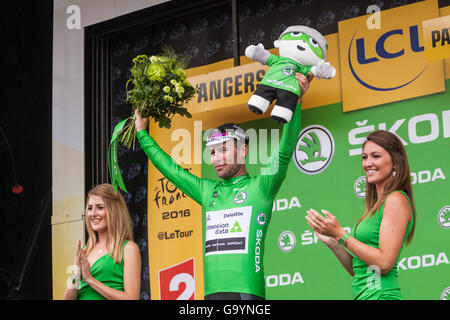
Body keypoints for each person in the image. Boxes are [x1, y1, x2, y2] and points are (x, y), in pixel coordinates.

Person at [134, 73, 313, 300]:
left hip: (247, 294)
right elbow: (171, 169)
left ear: (243, 151)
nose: (216, 158)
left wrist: (295, 103)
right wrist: (142, 133)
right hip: (211, 295)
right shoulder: (208, 191)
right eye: (212, 152)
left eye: (224, 150)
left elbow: (286, 149)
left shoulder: (261, 188)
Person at [305, 130, 416, 300]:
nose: (368, 163)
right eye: (364, 157)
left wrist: (341, 234)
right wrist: (334, 243)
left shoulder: (395, 200)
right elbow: (361, 270)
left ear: (395, 161)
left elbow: (384, 263)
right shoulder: (375, 207)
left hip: (382, 296)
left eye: (376, 156)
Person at [64, 183, 141, 300]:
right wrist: (76, 273)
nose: (93, 214)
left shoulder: (128, 248)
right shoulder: (85, 250)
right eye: (89, 208)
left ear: (114, 211)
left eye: (100, 207)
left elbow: (131, 298)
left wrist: (90, 280)